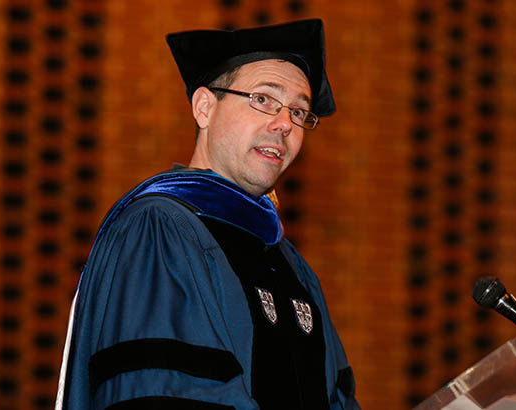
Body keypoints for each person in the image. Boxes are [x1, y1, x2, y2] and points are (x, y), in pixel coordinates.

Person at [56, 19, 360, 410]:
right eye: (264, 99)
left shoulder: (291, 266)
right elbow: (164, 389)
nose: (285, 124)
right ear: (204, 108)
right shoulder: (160, 230)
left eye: (300, 112)